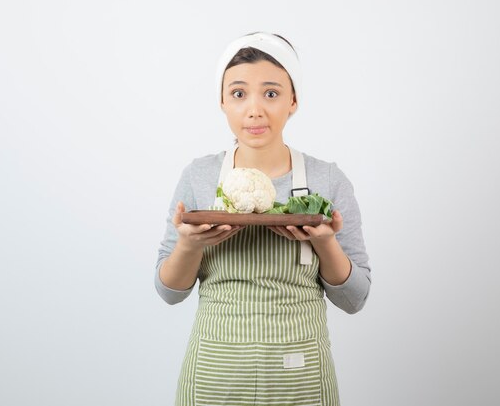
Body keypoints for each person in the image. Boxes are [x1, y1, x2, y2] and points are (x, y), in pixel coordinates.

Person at [155, 32, 371, 406]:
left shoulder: (328, 180)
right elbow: (169, 292)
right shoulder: (199, 176)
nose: (254, 109)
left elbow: (355, 299)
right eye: (239, 93)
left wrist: (324, 242)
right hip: (215, 376)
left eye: (271, 93)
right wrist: (189, 245)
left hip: (300, 376)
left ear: (293, 100)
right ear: (222, 101)